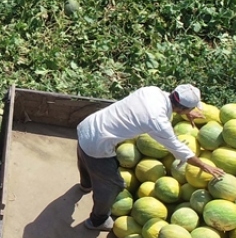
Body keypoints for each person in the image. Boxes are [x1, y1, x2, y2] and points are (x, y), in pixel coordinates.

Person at [76, 84, 225, 230]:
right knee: (113, 185)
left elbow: (166, 106)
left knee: (84, 157)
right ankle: (97, 221)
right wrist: (204, 165)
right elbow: (178, 148)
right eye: (191, 108)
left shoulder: (151, 91)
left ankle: (85, 184)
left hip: (88, 125)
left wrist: (185, 112)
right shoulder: (158, 122)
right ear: (181, 107)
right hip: (97, 145)